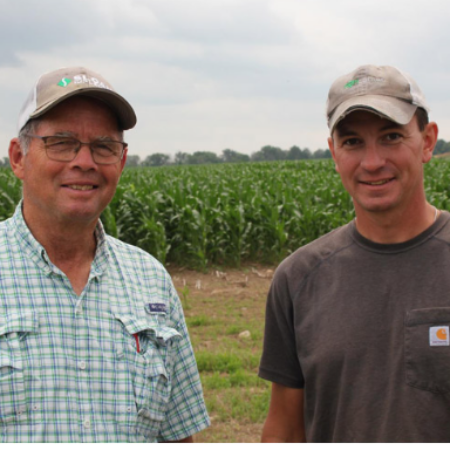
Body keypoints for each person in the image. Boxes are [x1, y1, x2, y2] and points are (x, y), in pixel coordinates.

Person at [1, 67, 210, 443]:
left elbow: (177, 435)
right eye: (61, 142)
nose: (85, 162)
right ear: (18, 157)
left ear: (122, 161)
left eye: (104, 146)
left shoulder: (150, 279)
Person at [259, 64, 450, 442]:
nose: (373, 162)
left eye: (392, 136)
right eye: (352, 142)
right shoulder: (298, 278)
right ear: (333, 152)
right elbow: (284, 428)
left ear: (427, 141)